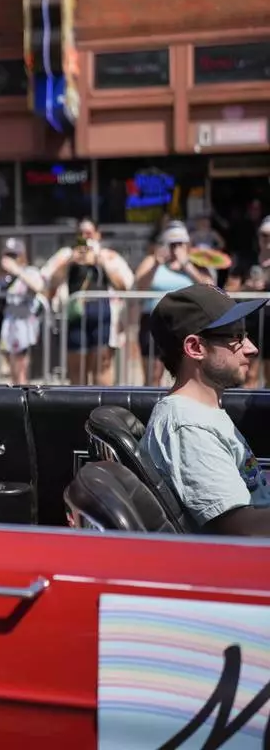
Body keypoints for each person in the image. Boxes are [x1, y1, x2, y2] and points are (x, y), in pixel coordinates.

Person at [140, 284, 270, 537]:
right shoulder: (189, 427)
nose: (251, 348)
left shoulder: (203, 412)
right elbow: (241, 529)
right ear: (195, 348)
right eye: (236, 337)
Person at [44, 218, 133, 385]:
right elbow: (51, 281)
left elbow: (123, 286)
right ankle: (80, 401)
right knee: (76, 366)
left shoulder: (107, 255)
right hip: (76, 313)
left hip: (101, 312)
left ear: (98, 235)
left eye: (89, 233)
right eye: (81, 234)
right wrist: (70, 261)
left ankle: (103, 400)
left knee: (102, 363)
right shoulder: (66, 254)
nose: (85, 237)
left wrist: (101, 262)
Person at [133, 221, 213, 386]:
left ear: (187, 244)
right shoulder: (153, 261)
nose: (176, 248)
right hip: (154, 320)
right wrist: (156, 264)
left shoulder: (194, 262)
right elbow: (139, 286)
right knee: (153, 374)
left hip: (186, 323)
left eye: (180, 244)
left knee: (187, 373)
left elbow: (210, 288)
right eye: (172, 244)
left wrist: (187, 265)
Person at [0, 238, 46, 385]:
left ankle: (23, 395)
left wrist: (17, 271)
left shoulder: (30, 271)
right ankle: (17, 391)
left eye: (14, 255)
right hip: (8, 324)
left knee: (21, 368)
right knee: (13, 368)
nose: (10, 259)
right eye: (7, 255)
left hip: (24, 324)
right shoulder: (2, 277)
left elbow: (38, 287)